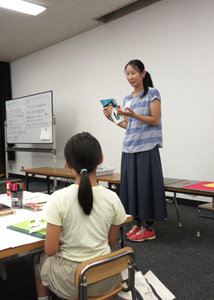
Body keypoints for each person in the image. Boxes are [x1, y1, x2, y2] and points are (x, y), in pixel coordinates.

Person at [34, 132, 127, 300]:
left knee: (38, 260)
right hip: (107, 275)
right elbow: (111, 242)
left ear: (67, 164)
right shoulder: (112, 197)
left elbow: (50, 250)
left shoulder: (58, 198)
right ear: (101, 159)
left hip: (72, 281)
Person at [103, 59, 167, 242]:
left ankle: (149, 227)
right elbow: (128, 125)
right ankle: (138, 223)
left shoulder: (152, 93)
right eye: (128, 74)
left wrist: (133, 115)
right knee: (133, 187)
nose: (130, 77)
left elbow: (154, 120)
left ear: (143, 73)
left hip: (147, 147)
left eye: (133, 73)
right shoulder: (127, 98)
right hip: (129, 147)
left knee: (147, 186)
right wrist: (112, 118)